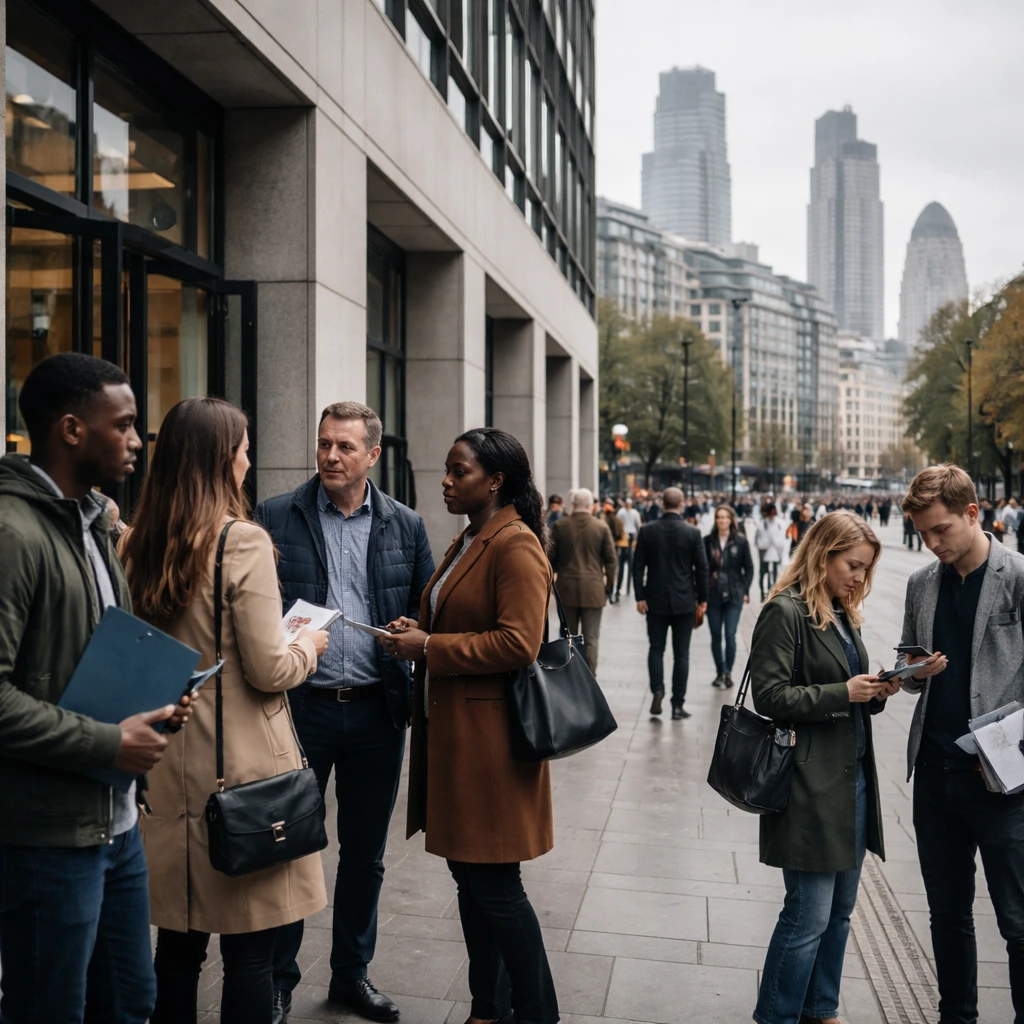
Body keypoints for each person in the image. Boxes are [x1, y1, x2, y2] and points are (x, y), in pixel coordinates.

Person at [122, 397, 330, 1024]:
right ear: (220, 460)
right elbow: (270, 669)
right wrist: (308, 644)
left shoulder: (134, 543)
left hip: (164, 769)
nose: (248, 460)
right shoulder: (242, 542)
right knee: (249, 955)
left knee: (177, 950)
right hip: (242, 775)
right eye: (242, 449)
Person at [0, 353, 192, 1024]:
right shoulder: (12, 533)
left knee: (132, 1005)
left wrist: (162, 699)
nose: (138, 441)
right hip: (46, 839)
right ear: (73, 430)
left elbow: (93, 655)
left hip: (115, 828)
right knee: (49, 1009)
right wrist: (111, 741)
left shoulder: (93, 525)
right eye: (126, 425)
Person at [256, 402, 435, 1024]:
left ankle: (350, 976)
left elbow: (426, 607)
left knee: (365, 854)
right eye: (324, 444)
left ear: (372, 455)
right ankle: (277, 980)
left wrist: (412, 628)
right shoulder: (278, 514)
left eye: (345, 447)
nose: (331, 456)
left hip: (375, 711)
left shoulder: (405, 525)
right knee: (290, 848)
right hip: (296, 711)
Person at [389, 427, 559, 1024]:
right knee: (472, 882)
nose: (446, 480)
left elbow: (520, 643)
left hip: (490, 748)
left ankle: (537, 1011)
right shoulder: (473, 538)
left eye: (458, 471)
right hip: (462, 740)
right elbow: (467, 617)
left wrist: (430, 644)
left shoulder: (514, 544)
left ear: (495, 481)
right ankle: (487, 1007)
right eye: (447, 469)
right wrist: (421, 628)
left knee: (493, 887)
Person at [750, 511, 895, 1024]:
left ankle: (821, 1007)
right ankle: (777, 1015)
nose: (859, 578)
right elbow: (769, 696)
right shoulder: (785, 611)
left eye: (866, 570)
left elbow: (851, 689)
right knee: (807, 914)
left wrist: (876, 690)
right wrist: (843, 693)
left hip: (852, 781)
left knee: (839, 912)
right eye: (853, 565)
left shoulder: (842, 612)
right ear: (823, 554)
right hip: (809, 783)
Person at [896, 465, 1024, 1024]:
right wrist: (911, 673)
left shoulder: (1017, 576)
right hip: (936, 774)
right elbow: (906, 659)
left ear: (973, 513)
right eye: (923, 533)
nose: (932, 542)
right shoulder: (922, 582)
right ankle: (957, 1016)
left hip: (1003, 783)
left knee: (1017, 920)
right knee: (947, 914)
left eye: (941, 529)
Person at [633, 486, 709, 720]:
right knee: (681, 654)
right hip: (684, 600)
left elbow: (638, 567)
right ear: (682, 504)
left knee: (656, 649)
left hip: (655, 599)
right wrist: (703, 600)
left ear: (662, 504)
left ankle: (658, 690)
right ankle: (677, 704)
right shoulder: (692, 533)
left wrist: (640, 596)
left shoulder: (647, 531)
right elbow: (702, 569)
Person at [549, 488, 617, 674]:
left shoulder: (560, 526)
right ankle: (589, 677)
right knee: (591, 638)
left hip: (567, 589)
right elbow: (611, 560)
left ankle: (568, 675)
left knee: (567, 637)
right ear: (590, 505)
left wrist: (549, 587)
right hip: (594, 589)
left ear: (573, 505)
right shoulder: (601, 527)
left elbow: (549, 560)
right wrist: (609, 586)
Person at [703, 504, 754, 689]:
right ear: (715, 520)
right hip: (713, 594)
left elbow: (749, 568)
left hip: (734, 595)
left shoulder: (740, 541)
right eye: (719, 517)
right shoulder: (707, 541)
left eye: (725, 517)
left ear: (731, 520)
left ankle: (728, 672)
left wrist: (745, 590)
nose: (722, 520)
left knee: (730, 635)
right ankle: (720, 672)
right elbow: (702, 568)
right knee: (716, 635)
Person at [756, 503, 787, 601]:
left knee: (774, 573)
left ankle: (772, 591)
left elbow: (781, 538)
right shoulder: (762, 523)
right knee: (763, 572)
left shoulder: (778, 524)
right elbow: (758, 539)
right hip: (765, 552)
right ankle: (762, 593)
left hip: (774, 552)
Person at [616, 497, 643, 600]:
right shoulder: (622, 512)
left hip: (629, 536)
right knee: (623, 564)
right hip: (624, 537)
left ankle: (627, 588)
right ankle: (621, 587)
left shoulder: (633, 513)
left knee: (629, 563)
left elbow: (638, 525)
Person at [603, 500, 629, 604]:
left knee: (610, 569)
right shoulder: (617, 520)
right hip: (616, 547)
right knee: (615, 569)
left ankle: (610, 592)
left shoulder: (606, 521)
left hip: (609, 547)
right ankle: (613, 592)